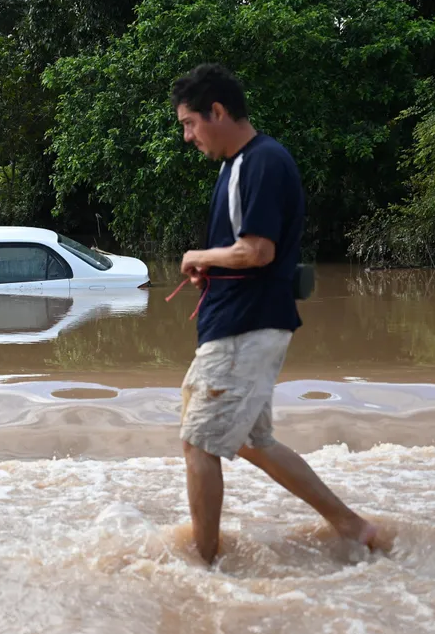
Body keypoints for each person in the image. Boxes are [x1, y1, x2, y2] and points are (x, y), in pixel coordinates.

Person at [171, 63, 379, 564]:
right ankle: (354, 528)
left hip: (245, 326)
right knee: (251, 440)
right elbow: (244, 253)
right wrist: (213, 269)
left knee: (199, 443)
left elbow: (258, 251)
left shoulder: (260, 162)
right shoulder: (237, 165)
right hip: (241, 318)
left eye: (189, 123)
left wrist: (198, 258)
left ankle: (204, 564)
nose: (187, 136)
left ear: (217, 111)